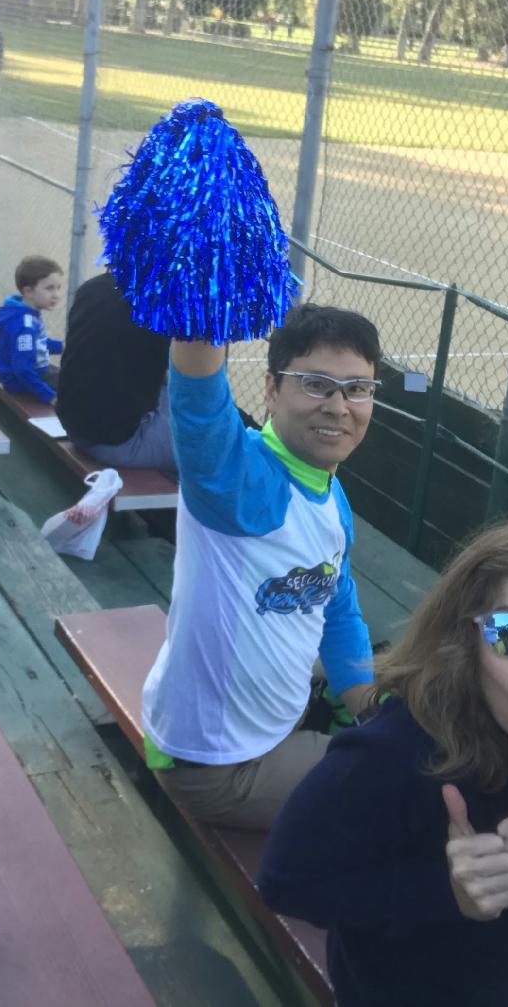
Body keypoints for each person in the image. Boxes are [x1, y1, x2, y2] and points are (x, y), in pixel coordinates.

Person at [259, 511, 508, 1006]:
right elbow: (285, 880)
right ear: (467, 646)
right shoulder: (397, 750)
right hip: (401, 994)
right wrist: (444, 893)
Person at [141, 303, 381, 829]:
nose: (339, 406)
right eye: (315, 384)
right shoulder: (237, 479)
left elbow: (337, 610)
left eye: (357, 389)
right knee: (397, 781)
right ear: (271, 389)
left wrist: (369, 707)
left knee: (392, 673)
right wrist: (203, 288)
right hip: (221, 766)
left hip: (267, 722)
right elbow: (199, 403)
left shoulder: (330, 493)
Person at [55, 271, 174, 472]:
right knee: (226, 446)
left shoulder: (93, 286)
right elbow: (198, 387)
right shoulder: (162, 302)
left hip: (75, 427)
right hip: (120, 443)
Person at [0, 255, 65, 403]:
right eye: (49, 288)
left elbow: (37, 344)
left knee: (77, 377)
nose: (56, 295)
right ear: (29, 292)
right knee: (80, 387)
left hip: (33, 371)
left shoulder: (26, 313)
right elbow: (23, 370)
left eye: (58, 288)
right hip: (21, 382)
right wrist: (50, 396)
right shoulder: (24, 325)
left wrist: (63, 347)